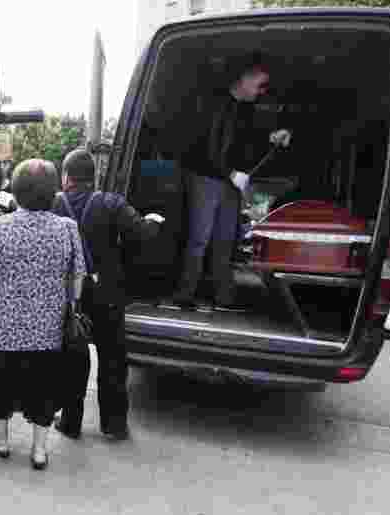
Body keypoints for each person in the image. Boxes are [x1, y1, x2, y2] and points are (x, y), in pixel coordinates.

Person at [0, 159, 85, 470]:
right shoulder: (67, 228)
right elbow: (77, 278)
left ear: (16, 191)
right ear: (53, 192)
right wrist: (69, 303)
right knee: (43, 388)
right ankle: (39, 452)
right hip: (48, 330)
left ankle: (1, 444)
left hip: (2, 330)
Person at [53, 149, 163, 441]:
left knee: (73, 358)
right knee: (112, 358)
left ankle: (71, 423)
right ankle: (114, 425)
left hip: (71, 295)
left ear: (66, 177)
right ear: (95, 177)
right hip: (108, 293)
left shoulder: (54, 203)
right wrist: (153, 221)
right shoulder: (111, 202)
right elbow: (142, 234)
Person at [173, 54, 291, 309]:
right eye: (260, 84)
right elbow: (207, 148)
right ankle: (185, 294)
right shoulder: (213, 103)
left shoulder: (246, 109)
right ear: (246, 78)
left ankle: (224, 297)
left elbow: (249, 141)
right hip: (206, 178)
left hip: (229, 181)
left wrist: (272, 136)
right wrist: (231, 174)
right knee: (199, 238)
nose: (262, 91)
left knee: (225, 240)